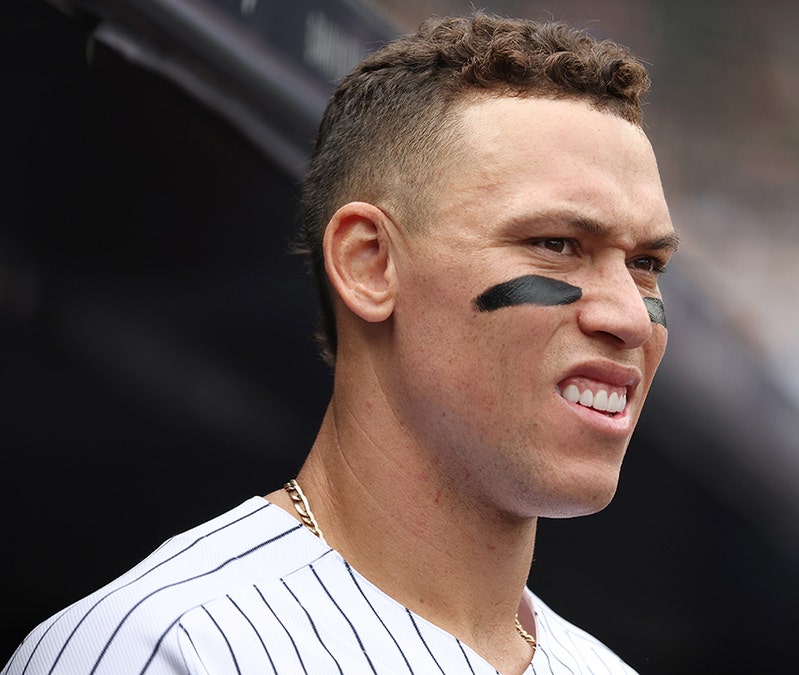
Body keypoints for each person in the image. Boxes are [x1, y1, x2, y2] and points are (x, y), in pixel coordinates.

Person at [4, 11, 676, 675]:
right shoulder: (170, 649)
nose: (631, 317)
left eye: (646, 263)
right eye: (556, 244)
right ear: (369, 265)